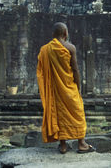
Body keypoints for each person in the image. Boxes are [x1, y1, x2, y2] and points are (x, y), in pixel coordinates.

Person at [37, 22, 95, 154]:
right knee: (78, 112)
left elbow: (42, 72)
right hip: (69, 87)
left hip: (55, 90)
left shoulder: (45, 49)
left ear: (53, 34)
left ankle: (63, 145)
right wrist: (78, 88)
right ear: (65, 33)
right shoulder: (70, 48)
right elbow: (75, 69)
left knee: (59, 114)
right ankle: (81, 143)